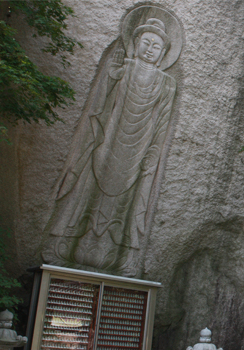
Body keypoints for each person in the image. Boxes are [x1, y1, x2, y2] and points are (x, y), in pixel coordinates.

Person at [45, 17, 177, 276]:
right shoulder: (122, 68)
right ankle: (70, 233)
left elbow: (162, 122)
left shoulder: (166, 83)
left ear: (163, 54)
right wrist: (110, 74)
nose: (150, 49)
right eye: (146, 42)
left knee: (129, 195)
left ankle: (121, 246)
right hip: (108, 140)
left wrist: (152, 153)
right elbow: (101, 106)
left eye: (156, 47)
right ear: (136, 43)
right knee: (90, 182)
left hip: (138, 149)